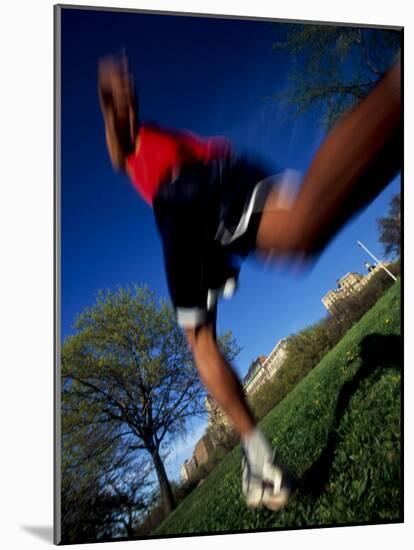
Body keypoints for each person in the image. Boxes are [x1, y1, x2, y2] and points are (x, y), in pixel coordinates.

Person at [97, 54, 401, 511]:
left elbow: (119, 146)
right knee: (303, 230)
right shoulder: (151, 139)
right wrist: (116, 106)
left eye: (127, 102)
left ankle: (257, 458)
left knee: (199, 341)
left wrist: (110, 107)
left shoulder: (140, 146)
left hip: (186, 198)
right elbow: (123, 139)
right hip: (227, 168)